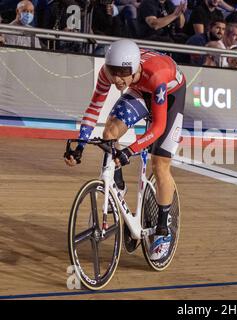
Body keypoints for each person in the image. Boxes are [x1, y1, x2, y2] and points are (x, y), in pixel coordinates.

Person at [64, 39, 186, 261]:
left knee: (160, 165)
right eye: (114, 72)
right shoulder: (107, 73)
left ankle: (162, 230)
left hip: (169, 92)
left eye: (123, 73)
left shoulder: (155, 75)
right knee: (110, 133)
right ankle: (117, 186)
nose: (118, 79)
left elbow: (158, 127)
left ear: (135, 67)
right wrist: (80, 144)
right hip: (140, 89)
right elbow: (94, 108)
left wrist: (130, 151)